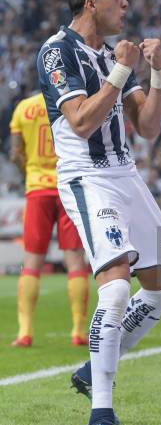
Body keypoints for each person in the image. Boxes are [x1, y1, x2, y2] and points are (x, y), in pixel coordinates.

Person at [37, 0, 161, 425]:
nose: (126, 4)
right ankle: (101, 410)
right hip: (89, 178)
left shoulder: (109, 54)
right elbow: (79, 121)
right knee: (116, 291)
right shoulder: (58, 52)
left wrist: (156, 73)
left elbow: (148, 127)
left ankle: (89, 368)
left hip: (127, 176)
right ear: (91, 5)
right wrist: (121, 72)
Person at [9, 92, 88, 347]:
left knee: (32, 261)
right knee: (75, 260)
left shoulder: (24, 108)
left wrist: (29, 170)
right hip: (68, 186)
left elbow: (15, 154)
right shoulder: (71, 103)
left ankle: (25, 332)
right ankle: (78, 330)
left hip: (37, 190)